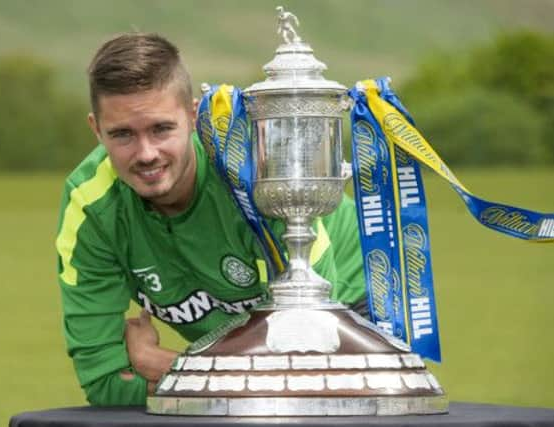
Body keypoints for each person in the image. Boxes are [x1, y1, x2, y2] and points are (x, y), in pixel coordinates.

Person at [55, 32, 366, 406]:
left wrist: (157, 362)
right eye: (122, 134)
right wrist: (216, 374)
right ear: (96, 130)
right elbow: (106, 383)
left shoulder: (252, 176)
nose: (146, 153)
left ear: (191, 114)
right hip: (245, 360)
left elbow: (305, 369)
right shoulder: (90, 204)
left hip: (354, 315)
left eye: (161, 128)